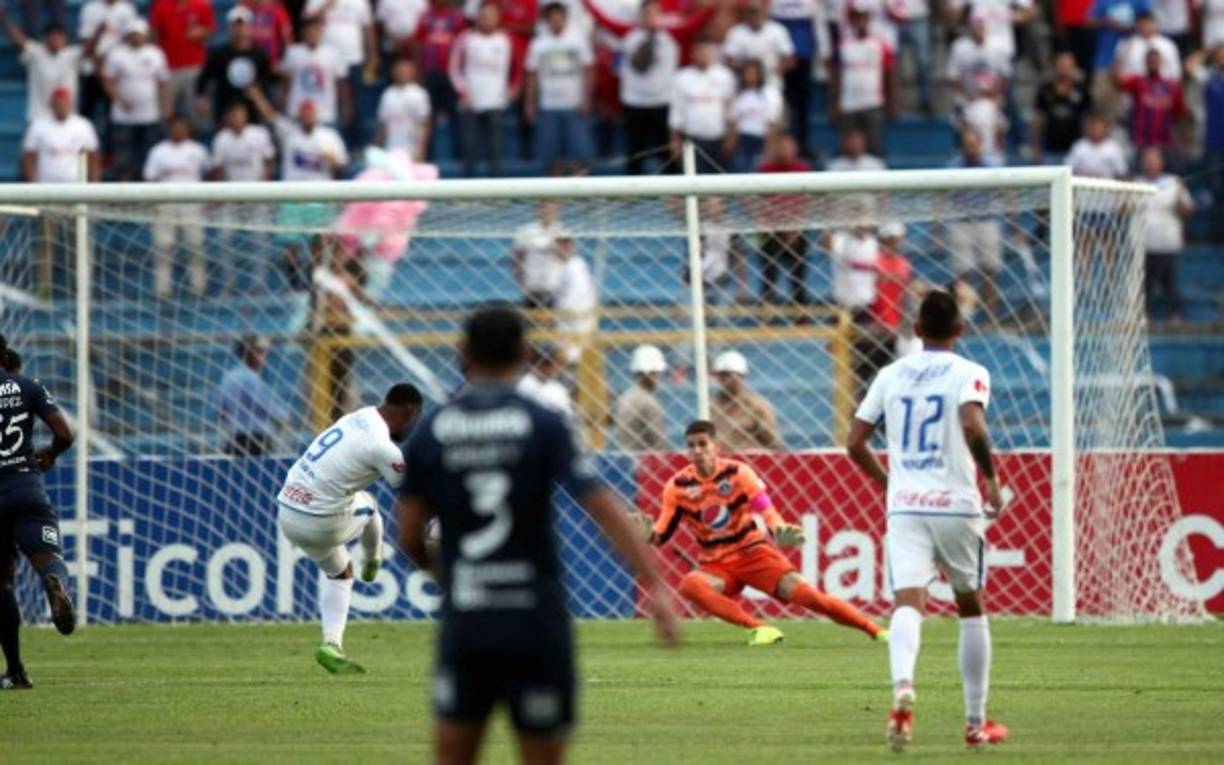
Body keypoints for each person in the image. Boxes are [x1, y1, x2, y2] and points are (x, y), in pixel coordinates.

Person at [396, 306, 678, 765]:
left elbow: (408, 535)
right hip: (535, 621)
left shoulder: (435, 430)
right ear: (525, 354)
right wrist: (657, 584)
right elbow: (602, 507)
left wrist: (450, 577)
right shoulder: (543, 422)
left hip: (468, 621)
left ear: (462, 354)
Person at [846, 289, 1009, 752]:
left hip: (907, 506)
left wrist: (890, 485)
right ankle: (975, 723)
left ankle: (902, 687)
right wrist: (992, 479)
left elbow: (855, 443)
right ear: (959, 330)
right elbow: (973, 426)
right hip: (957, 503)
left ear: (915, 329)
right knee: (970, 607)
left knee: (907, 603)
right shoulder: (970, 372)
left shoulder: (889, 374)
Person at [641, 419, 884, 645]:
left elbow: (764, 507)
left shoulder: (738, 473)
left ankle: (876, 630)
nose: (697, 450)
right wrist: (647, 536)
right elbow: (663, 531)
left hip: (753, 555)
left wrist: (778, 529)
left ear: (716, 446)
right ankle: (759, 628)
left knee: (811, 598)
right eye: (691, 446)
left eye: (703, 444)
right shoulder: (677, 486)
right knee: (690, 585)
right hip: (717, 565)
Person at [278, 383, 423, 673]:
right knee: (370, 506)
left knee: (340, 573)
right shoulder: (381, 446)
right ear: (410, 411)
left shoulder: (359, 416)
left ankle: (332, 645)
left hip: (287, 512)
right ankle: (373, 560)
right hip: (320, 521)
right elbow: (413, 492)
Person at [0, 334, 78, 691]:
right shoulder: (28, 386)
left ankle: (15, 670)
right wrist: (51, 453)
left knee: (2, 585)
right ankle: (55, 582)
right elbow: (66, 433)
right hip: (26, 488)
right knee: (49, 559)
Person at [144, 115, 210, 298]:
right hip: (166, 203)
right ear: (169, 129)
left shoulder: (198, 150)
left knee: (195, 245)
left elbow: (210, 172)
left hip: (192, 201)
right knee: (163, 246)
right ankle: (162, 289)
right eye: (175, 127)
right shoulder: (158, 151)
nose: (179, 131)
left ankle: (198, 287)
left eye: (182, 127)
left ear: (188, 129)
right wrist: (153, 204)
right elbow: (150, 178)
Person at [525, 2, 595, 172]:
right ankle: (552, 197)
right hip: (548, 106)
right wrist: (529, 103)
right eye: (552, 19)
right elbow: (532, 75)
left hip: (574, 106)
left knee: (581, 156)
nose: (556, 22)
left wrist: (586, 99)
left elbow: (589, 71)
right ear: (547, 21)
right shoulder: (538, 44)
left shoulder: (578, 40)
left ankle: (580, 195)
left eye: (559, 19)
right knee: (550, 159)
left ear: (565, 19)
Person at [449, 1, 517, 177]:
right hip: (471, 101)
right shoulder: (466, 38)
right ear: (477, 17)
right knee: (470, 148)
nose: (486, 19)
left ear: (497, 18)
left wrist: (513, 89)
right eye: (483, 16)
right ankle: (467, 192)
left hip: (496, 101)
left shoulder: (505, 39)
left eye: (490, 16)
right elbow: (454, 68)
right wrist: (463, 93)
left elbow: (517, 67)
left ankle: (495, 194)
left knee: (496, 150)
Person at [302, 0, 379, 146]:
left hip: (352, 59)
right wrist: (326, 5)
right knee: (331, 103)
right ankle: (329, 143)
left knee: (355, 105)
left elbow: (368, 29)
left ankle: (356, 146)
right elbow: (307, 22)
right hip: (325, 60)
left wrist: (373, 56)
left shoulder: (360, 2)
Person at [102, 18, 171, 181]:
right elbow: (107, 81)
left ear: (145, 36)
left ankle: (147, 198)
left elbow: (164, 83)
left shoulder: (156, 54)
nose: (136, 38)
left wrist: (166, 108)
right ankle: (123, 198)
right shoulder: (117, 54)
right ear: (127, 36)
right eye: (132, 34)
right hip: (123, 117)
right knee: (123, 160)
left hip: (150, 116)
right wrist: (119, 100)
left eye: (139, 35)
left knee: (149, 160)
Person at [945, 128, 1003, 316]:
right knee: (962, 271)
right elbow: (941, 196)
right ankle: (963, 315)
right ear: (961, 147)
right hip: (961, 222)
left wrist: (1014, 224)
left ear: (980, 144)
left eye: (974, 144)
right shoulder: (952, 168)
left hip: (986, 220)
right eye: (967, 145)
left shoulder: (993, 166)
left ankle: (991, 314)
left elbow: (1007, 192)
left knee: (990, 269)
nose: (971, 148)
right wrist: (936, 229)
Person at [618, 0, 679, 174]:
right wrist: (651, 37)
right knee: (635, 151)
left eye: (655, 14)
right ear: (641, 17)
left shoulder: (669, 40)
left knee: (665, 151)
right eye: (648, 14)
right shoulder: (631, 39)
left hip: (662, 102)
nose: (651, 18)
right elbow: (641, 64)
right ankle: (633, 193)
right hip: (635, 103)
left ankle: (672, 194)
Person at [830, 0, 895, 157]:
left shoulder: (880, 44)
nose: (860, 21)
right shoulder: (843, 45)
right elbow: (836, 76)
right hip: (848, 104)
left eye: (863, 17)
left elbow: (889, 74)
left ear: (868, 19)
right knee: (847, 148)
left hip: (873, 103)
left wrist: (892, 102)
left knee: (875, 147)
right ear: (852, 20)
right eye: (856, 18)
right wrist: (834, 103)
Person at [756, 134, 813, 306]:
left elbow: (807, 202)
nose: (786, 150)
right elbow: (759, 202)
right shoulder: (766, 170)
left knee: (799, 269)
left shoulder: (803, 169)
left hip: (795, 227)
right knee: (769, 267)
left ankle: (800, 311)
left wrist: (795, 226)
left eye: (789, 146)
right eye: (783, 146)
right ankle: (766, 311)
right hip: (772, 228)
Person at [196, 7, 277, 126]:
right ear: (229, 27)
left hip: (253, 113)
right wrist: (201, 96)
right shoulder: (219, 54)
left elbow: (268, 81)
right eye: (236, 25)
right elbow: (204, 78)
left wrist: (259, 94)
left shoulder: (260, 55)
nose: (240, 29)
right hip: (225, 113)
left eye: (243, 25)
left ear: (250, 27)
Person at [1136, 147, 1192, 320]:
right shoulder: (1135, 182)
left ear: (1162, 162)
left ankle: (1176, 316)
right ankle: (1142, 317)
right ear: (1141, 162)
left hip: (1168, 242)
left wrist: (1181, 194)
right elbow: (1120, 210)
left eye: (1155, 159)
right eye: (1148, 159)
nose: (1151, 163)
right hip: (1143, 243)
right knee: (1145, 285)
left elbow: (1188, 211)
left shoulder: (1174, 182)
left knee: (1170, 284)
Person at [216, 334, 292, 456]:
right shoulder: (250, 378)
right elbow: (267, 405)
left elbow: (220, 409)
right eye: (260, 352)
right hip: (255, 440)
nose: (263, 357)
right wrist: (283, 415)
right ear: (249, 353)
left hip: (233, 437)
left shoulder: (228, 377)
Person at [0, 11, 81, 124]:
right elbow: (18, 39)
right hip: (38, 117)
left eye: (59, 36)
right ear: (45, 38)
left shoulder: (73, 54)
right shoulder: (36, 52)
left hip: (66, 118)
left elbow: (90, 50)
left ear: (65, 39)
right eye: (52, 36)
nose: (56, 40)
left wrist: (98, 33)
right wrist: (3, 17)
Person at [771, 0, 829, 152]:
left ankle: (802, 146)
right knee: (782, 106)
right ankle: (783, 146)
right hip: (783, 60)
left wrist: (824, 52)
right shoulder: (776, 3)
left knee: (803, 106)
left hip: (804, 57)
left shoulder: (809, 3)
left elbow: (819, 27)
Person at [148, 0, 217, 125]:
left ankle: (196, 143)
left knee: (197, 114)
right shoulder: (161, 6)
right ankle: (168, 143)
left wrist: (201, 33)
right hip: (168, 68)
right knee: (166, 114)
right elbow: (154, 34)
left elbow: (210, 30)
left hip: (195, 67)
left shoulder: (200, 5)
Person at [414, 0, 468, 160]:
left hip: (452, 76)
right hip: (431, 73)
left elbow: (464, 45)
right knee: (429, 116)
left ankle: (460, 155)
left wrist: (462, 73)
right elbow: (418, 45)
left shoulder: (457, 18)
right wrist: (419, 72)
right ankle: (427, 156)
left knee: (456, 116)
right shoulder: (425, 17)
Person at [280, 15, 351, 128]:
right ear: (303, 32)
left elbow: (342, 85)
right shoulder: (293, 53)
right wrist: (283, 104)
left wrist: (345, 108)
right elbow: (285, 84)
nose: (312, 34)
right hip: (297, 113)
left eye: (316, 30)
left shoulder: (332, 54)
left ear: (321, 32)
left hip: (324, 114)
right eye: (309, 30)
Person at [77, 0, 139, 127]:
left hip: (114, 71)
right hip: (91, 69)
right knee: (86, 114)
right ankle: (83, 143)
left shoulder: (127, 9)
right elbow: (86, 40)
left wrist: (108, 59)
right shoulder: (90, 8)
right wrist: (97, 61)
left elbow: (130, 39)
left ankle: (111, 146)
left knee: (112, 116)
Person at [22, 89, 102, 183]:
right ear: (52, 104)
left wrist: (94, 183)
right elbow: (29, 157)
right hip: (46, 187)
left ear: (70, 104)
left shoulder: (83, 126)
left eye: (64, 103)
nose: (62, 107)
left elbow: (93, 157)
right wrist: (32, 184)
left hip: (76, 187)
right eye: (58, 104)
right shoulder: (38, 126)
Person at [1115, 47, 1186, 152]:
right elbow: (1117, 82)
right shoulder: (1138, 81)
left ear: (1161, 62)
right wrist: (1120, 59)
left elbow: (1179, 113)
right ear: (1145, 62)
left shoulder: (1172, 86)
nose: (1153, 63)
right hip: (1140, 141)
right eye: (1150, 60)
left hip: (1163, 142)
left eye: (1155, 60)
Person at [709, 349, 782, 451]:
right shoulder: (710, 406)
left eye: (731, 374)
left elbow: (773, 444)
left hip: (748, 461)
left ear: (742, 376)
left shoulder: (757, 406)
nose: (727, 379)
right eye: (723, 375)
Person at [1030, 52, 1091, 164]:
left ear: (1074, 68)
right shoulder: (1045, 90)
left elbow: (1088, 119)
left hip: (1075, 151)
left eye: (1068, 66)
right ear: (1056, 67)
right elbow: (1038, 119)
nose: (1065, 70)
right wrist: (1035, 144)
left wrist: (1088, 147)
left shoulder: (1081, 91)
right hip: (1050, 148)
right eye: (1062, 65)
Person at [723, 0, 795, 90]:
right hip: (743, 81)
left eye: (757, 12)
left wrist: (774, 71)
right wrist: (745, 70)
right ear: (746, 14)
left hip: (771, 81)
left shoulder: (778, 30)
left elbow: (790, 59)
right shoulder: (736, 32)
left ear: (764, 12)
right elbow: (728, 59)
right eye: (751, 13)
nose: (755, 16)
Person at [727, 59, 783, 172]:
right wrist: (731, 141)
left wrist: (770, 147)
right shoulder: (739, 94)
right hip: (742, 140)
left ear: (760, 74)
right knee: (740, 171)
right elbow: (733, 121)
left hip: (761, 140)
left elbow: (772, 123)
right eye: (747, 73)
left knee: (757, 173)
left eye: (753, 73)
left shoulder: (770, 94)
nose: (750, 76)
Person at [375, 57, 432, 160]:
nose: (402, 73)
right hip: (391, 147)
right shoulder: (388, 94)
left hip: (412, 148)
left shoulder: (419, 94)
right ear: (393, 72)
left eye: (405, 70)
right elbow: (382, 125)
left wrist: (420, 149)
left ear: (412, 72)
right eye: (399, 70)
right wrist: (377, 147)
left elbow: (424, 124)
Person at [512, 200, 566, 309]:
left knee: (553, 321)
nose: (548, 212)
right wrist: (521, 281)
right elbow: (517, 258)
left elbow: (567, 258)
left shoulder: (562, 230)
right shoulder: (526, 231)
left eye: (552, 209)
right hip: (532, 286)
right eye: (545, 208)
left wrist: (557, 244)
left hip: (554, 286)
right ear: (538, 210)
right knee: (532, 320)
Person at [614, 344, 667, 451]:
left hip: (626, 461)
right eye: (656, 373)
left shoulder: (625, 397)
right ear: (650, 373)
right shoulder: (648, 402)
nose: (659, 377)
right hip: (646, 462)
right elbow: (659, 443)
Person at [209, 101, 276, 181]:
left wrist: (265, 182)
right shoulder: (221, 138)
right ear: (229, 118)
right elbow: (217, 167)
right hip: (232, 188)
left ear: (245, 116)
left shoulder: (259, 134)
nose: (237, 119)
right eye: (234, 116)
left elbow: (268, 160)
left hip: (256, 185)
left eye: (239, 115)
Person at [1065, 111, 1128, 178]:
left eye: (1098, 127)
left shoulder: (1113, 148)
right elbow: (1067, 170)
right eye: (1092, 126)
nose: (1095, 130)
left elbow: (1122, 173)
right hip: (1082, 186)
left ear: (1105, 128)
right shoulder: (1079, 146)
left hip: (1106, 186)